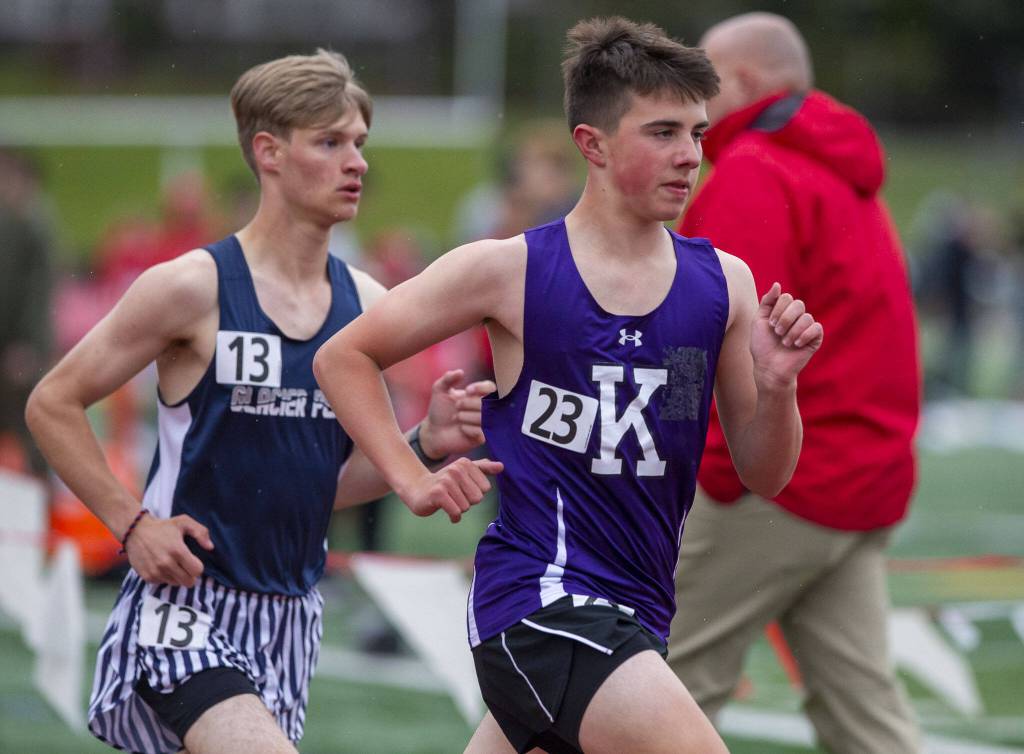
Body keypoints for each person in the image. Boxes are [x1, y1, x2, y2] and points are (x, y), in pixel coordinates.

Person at [314, 17, 824, 754]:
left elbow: (765, 475)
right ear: (593, 144)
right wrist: (408, 477)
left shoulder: (725, 284)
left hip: (639, 613)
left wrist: (778, 389)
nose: (690, 157)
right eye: (662, 133)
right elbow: (344, 358)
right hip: (539, 603)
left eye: (698, 133)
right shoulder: (509, 270)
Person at [26, 49, 494, 754]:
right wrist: (132, 525)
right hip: (182, 608)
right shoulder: (191, 287)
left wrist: (421, 443)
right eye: (330, 142)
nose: (356, 163)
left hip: (287, 619)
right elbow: (51, 403)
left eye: (360, 144)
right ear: (269, 152)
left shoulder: (367, 309)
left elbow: (324, 487)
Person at [668, 12, 921, 754]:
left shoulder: (756, 172)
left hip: (781, 486)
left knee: (652, 686)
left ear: (741, 81)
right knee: (865, 719)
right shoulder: (847, 179)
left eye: (705, 84)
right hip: (860, 478)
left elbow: (727, 336)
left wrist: (713, 475)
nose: (694, 111)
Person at [0, 149, 55, 478]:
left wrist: (30, 345)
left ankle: (40, 505)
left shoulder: (33, 226)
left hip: (19, 349)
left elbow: (38, 292)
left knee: (29, 427)